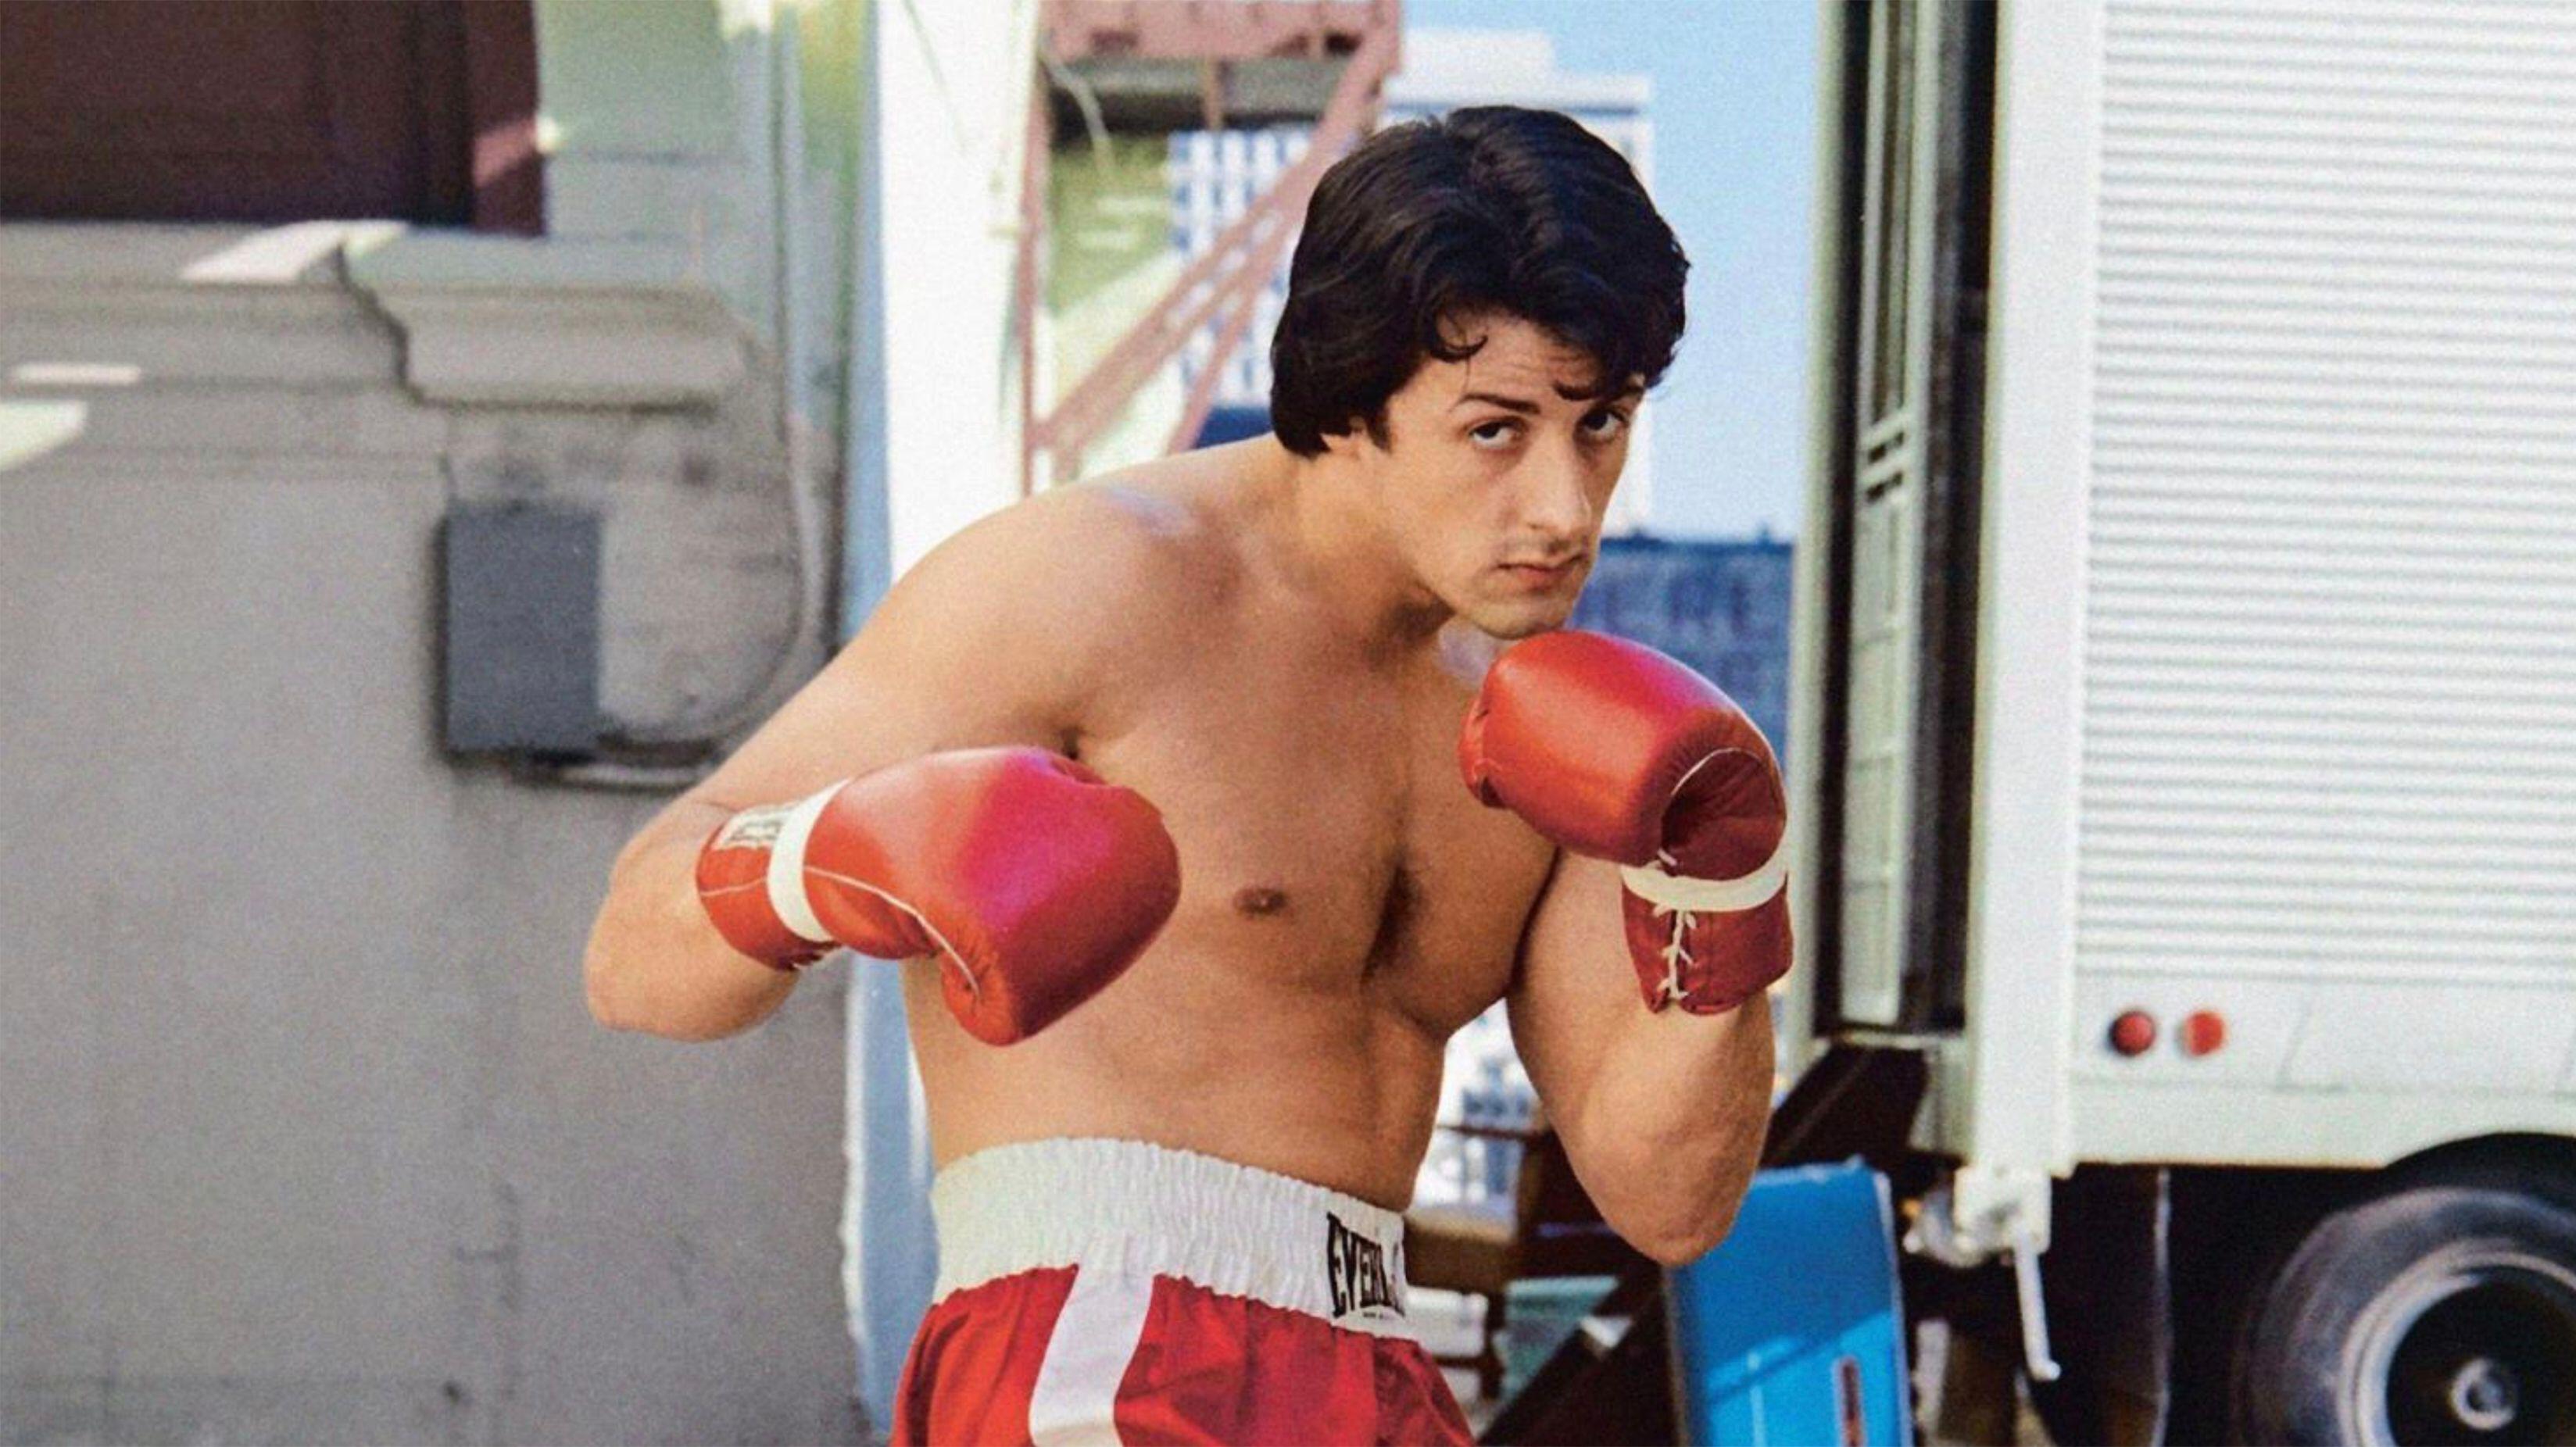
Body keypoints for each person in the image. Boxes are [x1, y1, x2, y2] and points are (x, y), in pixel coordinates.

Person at [584, 105, 1787, 1445]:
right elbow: (635, 958)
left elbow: (1670, 1202)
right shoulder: (1093, 584)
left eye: (1603, 425)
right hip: (1100, 1342)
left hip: (1377, 1365)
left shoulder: (1545, 716)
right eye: (1496, 431)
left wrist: (1728, 899)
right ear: (1353, 403)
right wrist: (829, 857)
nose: (1566, 506)